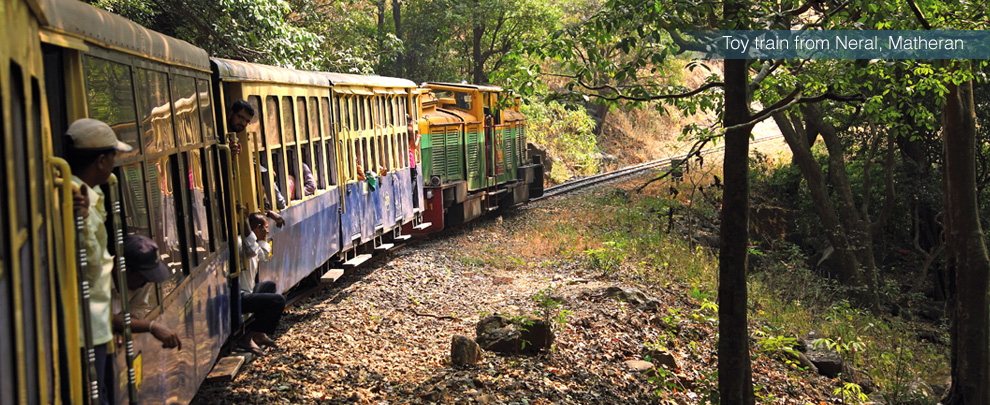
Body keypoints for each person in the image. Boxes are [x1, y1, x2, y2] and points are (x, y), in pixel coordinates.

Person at [66, 118, 134, 405]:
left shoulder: (90, 197)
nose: (115, 164)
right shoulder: (73, 197)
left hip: (97, 325)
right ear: (102, 160)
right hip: (85, 330)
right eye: (114, 157)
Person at [111, 234, 181, 350]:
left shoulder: (141, 283)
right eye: (143, 277)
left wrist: (122, 328)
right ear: (125, 271)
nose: (146, 283)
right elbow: (101, 315)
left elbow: (136, 310)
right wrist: (151, 326)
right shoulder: (98, 279)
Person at [237, 212, 285, 355]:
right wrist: (245, 219)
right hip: (239, 296)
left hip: (248, 291)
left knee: (270, 286)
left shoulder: (254, 244)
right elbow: (251, 250)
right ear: (257, 228)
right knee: (278, 301)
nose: (268, 230)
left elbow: (264, 256)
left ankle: (259, 334)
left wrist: (269, 214)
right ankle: (247, 337)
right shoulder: (242, 243)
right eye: (265, 227)